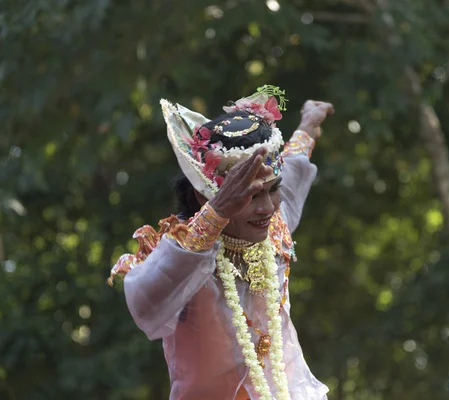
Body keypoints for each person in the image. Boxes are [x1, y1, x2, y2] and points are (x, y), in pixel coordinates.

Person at [108, 86, 334, 400]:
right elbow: (145, 304)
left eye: (272, 190)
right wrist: (217, 215)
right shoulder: (181, 250)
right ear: (206, 195)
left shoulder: (274, 225)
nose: (267, 208)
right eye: (252, 195)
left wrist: (309, 123)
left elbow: (292, 168)